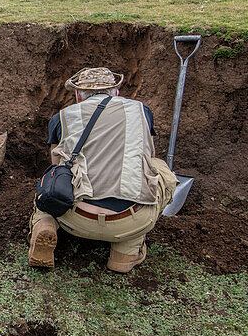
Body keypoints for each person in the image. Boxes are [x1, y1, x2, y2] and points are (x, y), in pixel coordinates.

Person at [29, 67, 177, 273]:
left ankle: (44, 224)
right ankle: (125, 252)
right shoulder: (141, 111)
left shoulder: (62, 117)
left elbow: (56, 166)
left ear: (77, 95)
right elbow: (148, 156)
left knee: (50, 182)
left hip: (76, 219)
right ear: (115, 92)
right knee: (158, 167)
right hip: (129, 220)